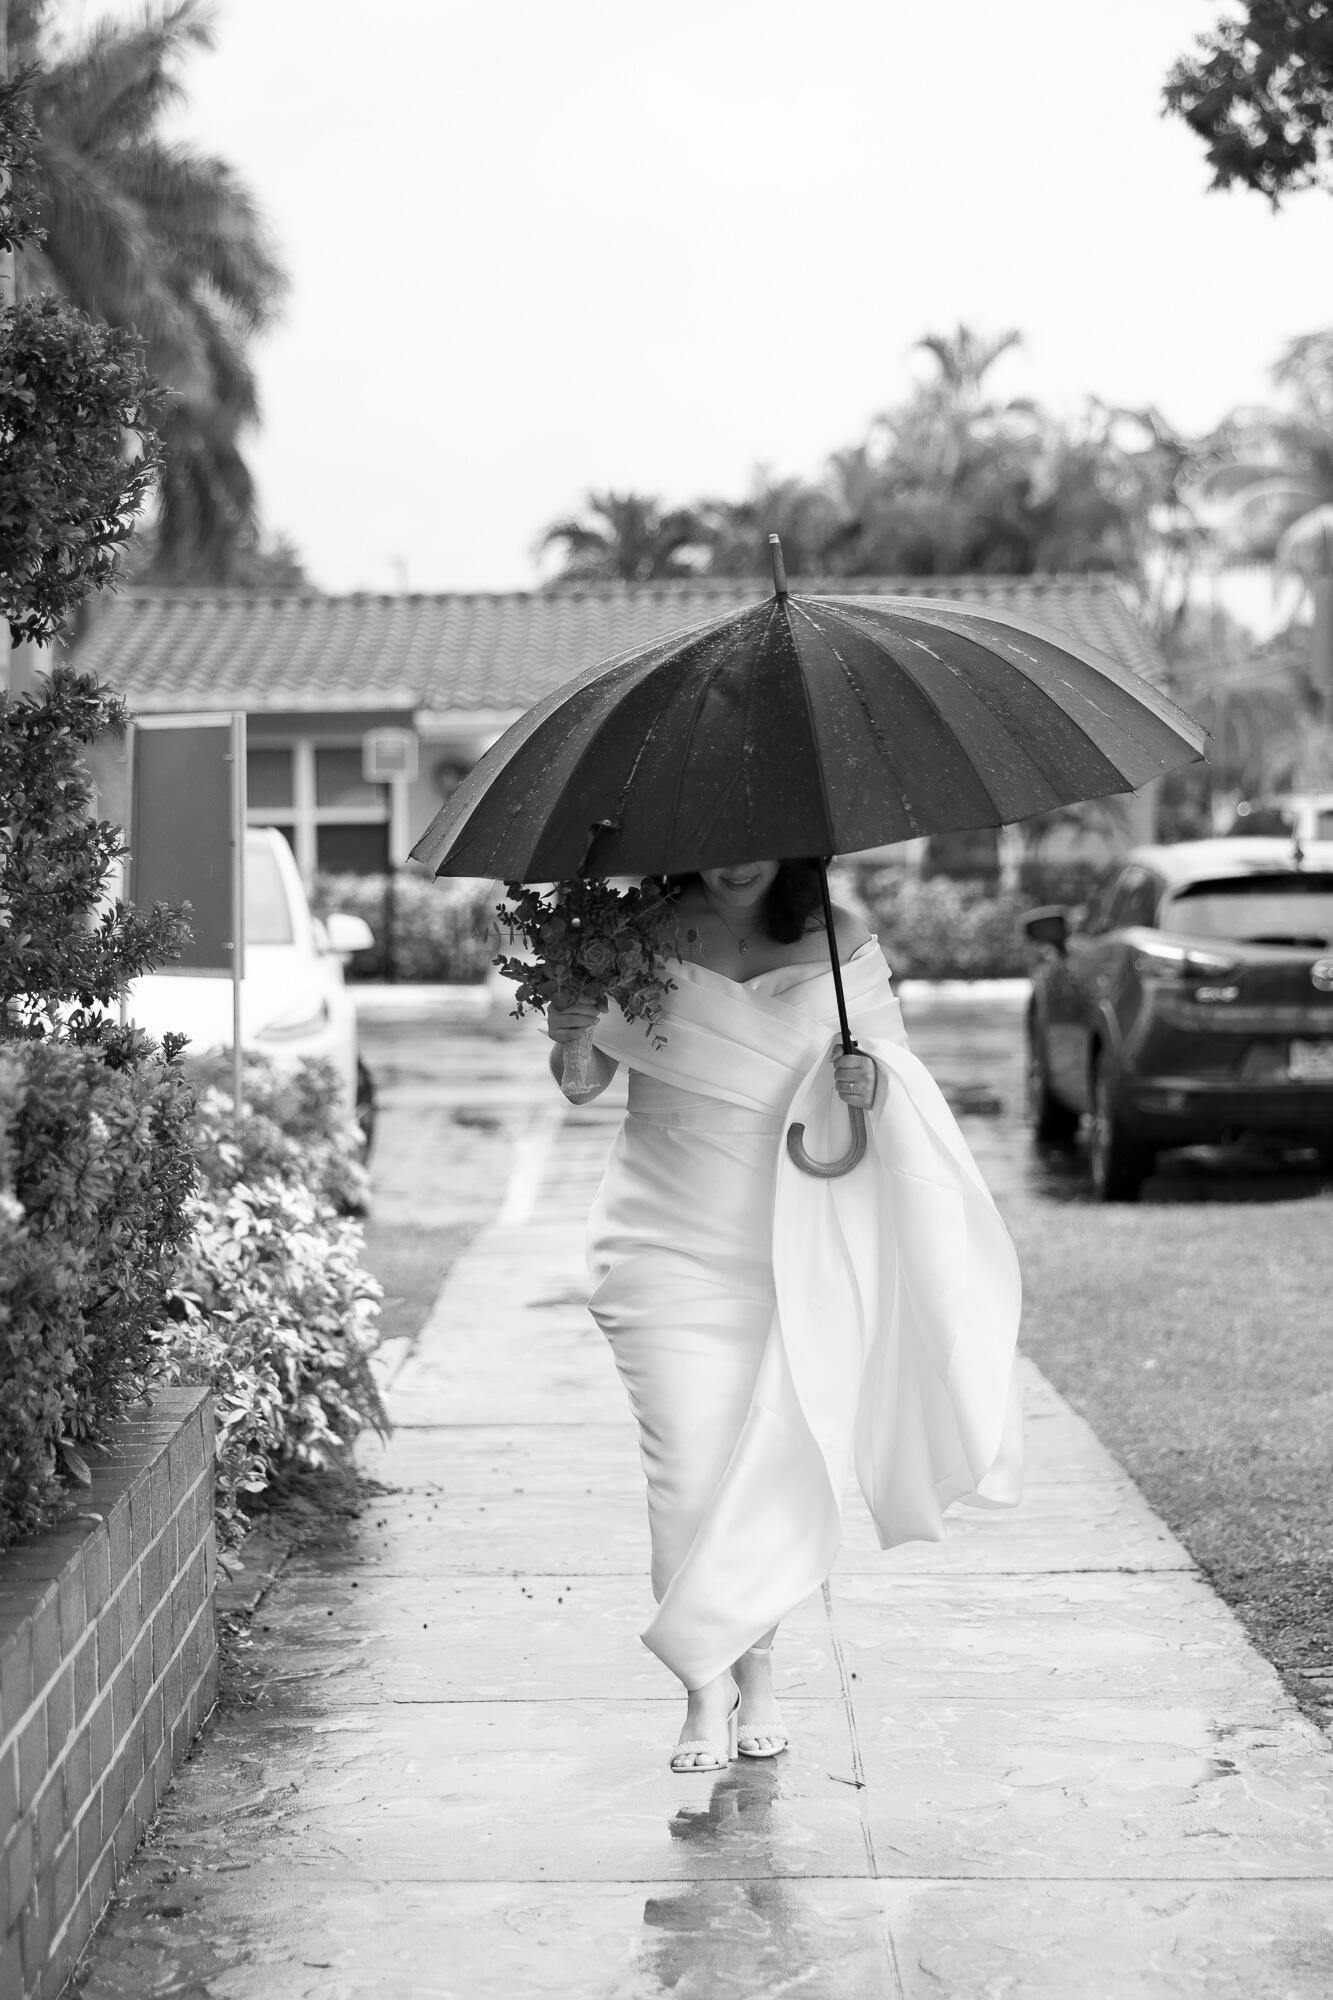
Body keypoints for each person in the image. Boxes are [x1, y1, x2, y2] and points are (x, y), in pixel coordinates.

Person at [545, 857, 1023, 1774]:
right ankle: (702, 1683)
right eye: (719, 838)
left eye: (758, 839)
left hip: (795, 1236)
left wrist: (870, 1084)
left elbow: (893, 1073)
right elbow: (581, 1083)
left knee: (769, 1457)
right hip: (662, 1238)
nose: (738, 860)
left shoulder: (838, 938)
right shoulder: (624, 935)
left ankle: (755, 1673)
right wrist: (571, 1038)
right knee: (685, 1467)